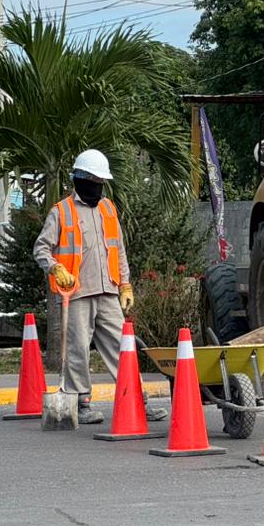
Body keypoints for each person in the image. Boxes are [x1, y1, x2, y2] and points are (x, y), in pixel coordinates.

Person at [33, 149, 162, 425]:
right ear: (80, 178)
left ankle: (138, 400)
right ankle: (80, 403)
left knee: (122, 346)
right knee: (77, 348)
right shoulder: (61, 212)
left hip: (108, 291)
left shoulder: (108, 209)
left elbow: (119, 250)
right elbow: (41, 248)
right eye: (93, 180)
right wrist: (55, 267)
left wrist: (125, 285)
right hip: (77, 293)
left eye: (100, 181)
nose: (97, 186)